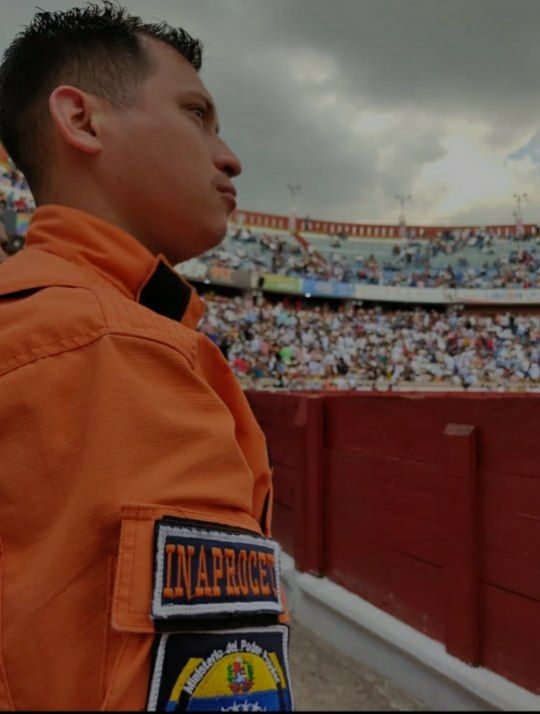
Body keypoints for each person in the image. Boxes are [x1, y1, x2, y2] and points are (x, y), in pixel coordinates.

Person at [0, 3, 292, 711]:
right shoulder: (117, 344)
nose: (229, 157)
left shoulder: (39, 313)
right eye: (197, 114)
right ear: (83, 120)